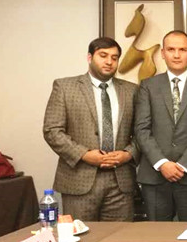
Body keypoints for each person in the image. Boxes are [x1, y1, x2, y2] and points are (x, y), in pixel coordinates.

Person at [43, 37, 138, 221]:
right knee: (80, 236)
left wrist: (128, 154)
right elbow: (52, 130)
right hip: (79, 178)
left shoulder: (131, 90)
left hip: (120, 180)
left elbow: (142, 132)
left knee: (120, 236)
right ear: (89, 57)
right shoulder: (65, 87)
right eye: (103, 55)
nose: (109, 61)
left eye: (114, 57)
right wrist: (84, 154)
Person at [134, 30, 187, 221]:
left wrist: (182, 165)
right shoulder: (148, 86)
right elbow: (141, 129)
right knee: (157, 235)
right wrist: (162, 163)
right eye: (171, 49)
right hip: (154, 175)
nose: (177, 55)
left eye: (182, 50)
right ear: (163, 53)